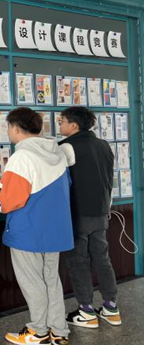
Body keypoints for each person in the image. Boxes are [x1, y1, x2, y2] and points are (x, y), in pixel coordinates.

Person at [0, 108, 73, 345]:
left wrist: (0, 200)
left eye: (8, 127)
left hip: (28, 230)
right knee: (51, 279)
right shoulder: (57, 153)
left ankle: (38, 332)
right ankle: (58, 331)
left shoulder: (21, 157)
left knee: (32, 282)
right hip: (54, 230)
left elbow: (10, 200)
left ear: (15, 128)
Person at [57, 107, 120, 328]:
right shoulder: (104, 145)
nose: (60, 124)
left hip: (78, 214)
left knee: (78, 262)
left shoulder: (66, 147)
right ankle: (111, 308)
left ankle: (86, 311)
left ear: (74, 125)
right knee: (102, 259)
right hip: (101, 212)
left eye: (62, 121)